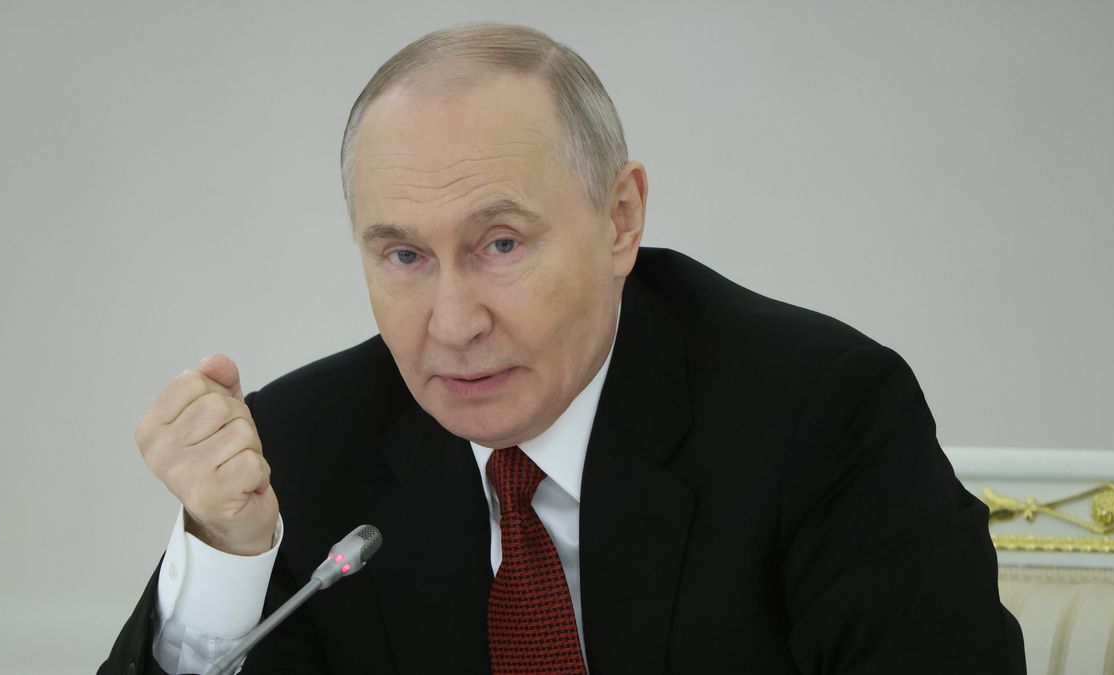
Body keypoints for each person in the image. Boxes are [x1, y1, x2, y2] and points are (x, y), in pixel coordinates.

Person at [99, 22, 1025, 675]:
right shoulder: (302, 450)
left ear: (621, 219)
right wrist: (226, 556)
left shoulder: (818, 415)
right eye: (405, 255)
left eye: (501, 244)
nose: (453, 322)